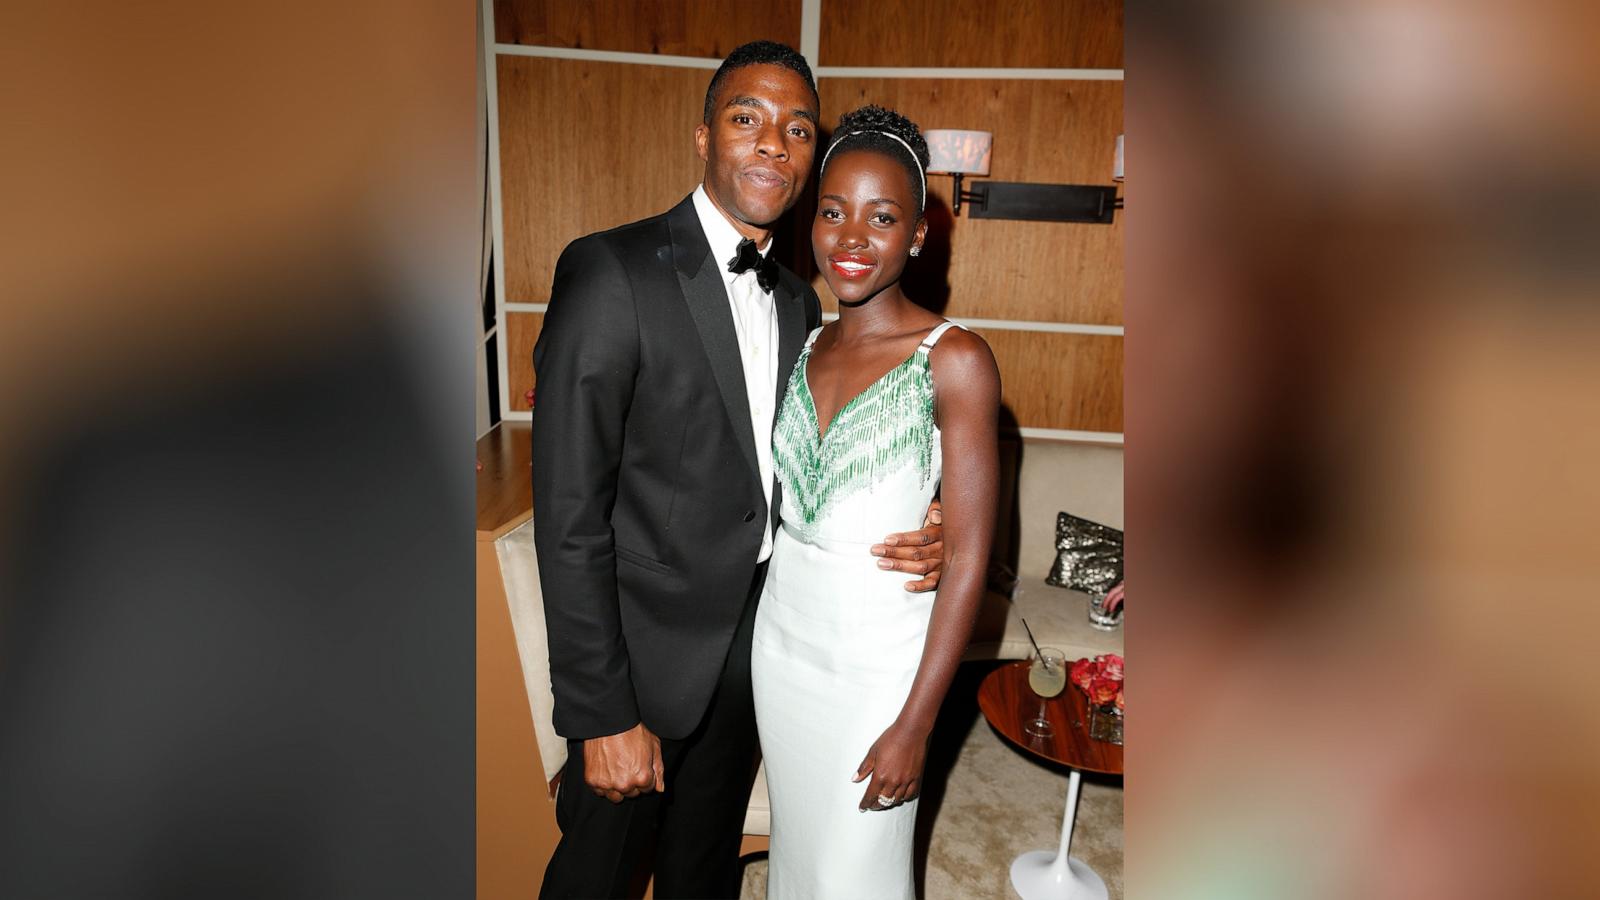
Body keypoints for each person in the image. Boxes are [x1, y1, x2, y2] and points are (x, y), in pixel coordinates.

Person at [531, 45, 946, 899]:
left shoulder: (801, 300)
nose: (772, 144)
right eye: (746, 118)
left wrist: (926, 515)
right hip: (639, 669)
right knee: (595, 880)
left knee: (703, 872)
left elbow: (802, 469)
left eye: (796, 129)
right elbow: (568, 514)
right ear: (702, 137)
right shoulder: (611, 271)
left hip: (759, 654)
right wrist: (602, 712)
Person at [752, 105, 1001, 899]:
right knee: (800, 852)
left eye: (882, 217)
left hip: (877, 662)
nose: (852, 237)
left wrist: (917, 724)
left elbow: (965, 553)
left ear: (918, 235)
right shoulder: (805, 341)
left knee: (857, 870)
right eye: (833, 212)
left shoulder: (954, 359)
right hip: (783, 641)